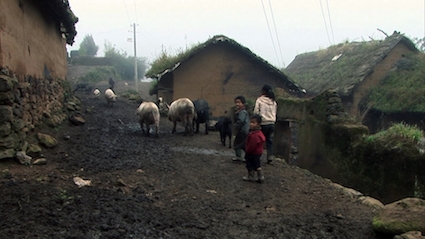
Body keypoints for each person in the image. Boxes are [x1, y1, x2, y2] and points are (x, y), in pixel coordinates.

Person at [254, 84, 277, 164]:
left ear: (263, 91)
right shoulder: (273, 101)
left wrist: (256, 122)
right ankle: (270, 156)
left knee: (260, 140)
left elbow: (256, 112)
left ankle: (258, 156)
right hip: (272, 123)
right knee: (269, 141)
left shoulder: (260, 100)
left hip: (263, 123)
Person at [243, 114, 266, 183]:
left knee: (249, 164)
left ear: (258, 124)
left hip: (252, 152)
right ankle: (260, 176)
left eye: (253, 123)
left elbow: (252, 145)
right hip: (258, 152)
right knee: (257, 164)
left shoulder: (254, 135)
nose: (251, 124)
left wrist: (247, 150)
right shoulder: (259, 133)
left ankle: (251, 176)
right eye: (250, 122)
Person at [232, 96, 250, 162]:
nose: (237, 104)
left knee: (237, 144)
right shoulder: (242, 111)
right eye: (236, 102)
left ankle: (239, 157)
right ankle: (247, 157)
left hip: (242, 131)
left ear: (243, 103)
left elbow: (241, 121)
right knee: (243, 144)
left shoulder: (242, 112)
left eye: (239, 102)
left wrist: (236, 126)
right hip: (244, 130)